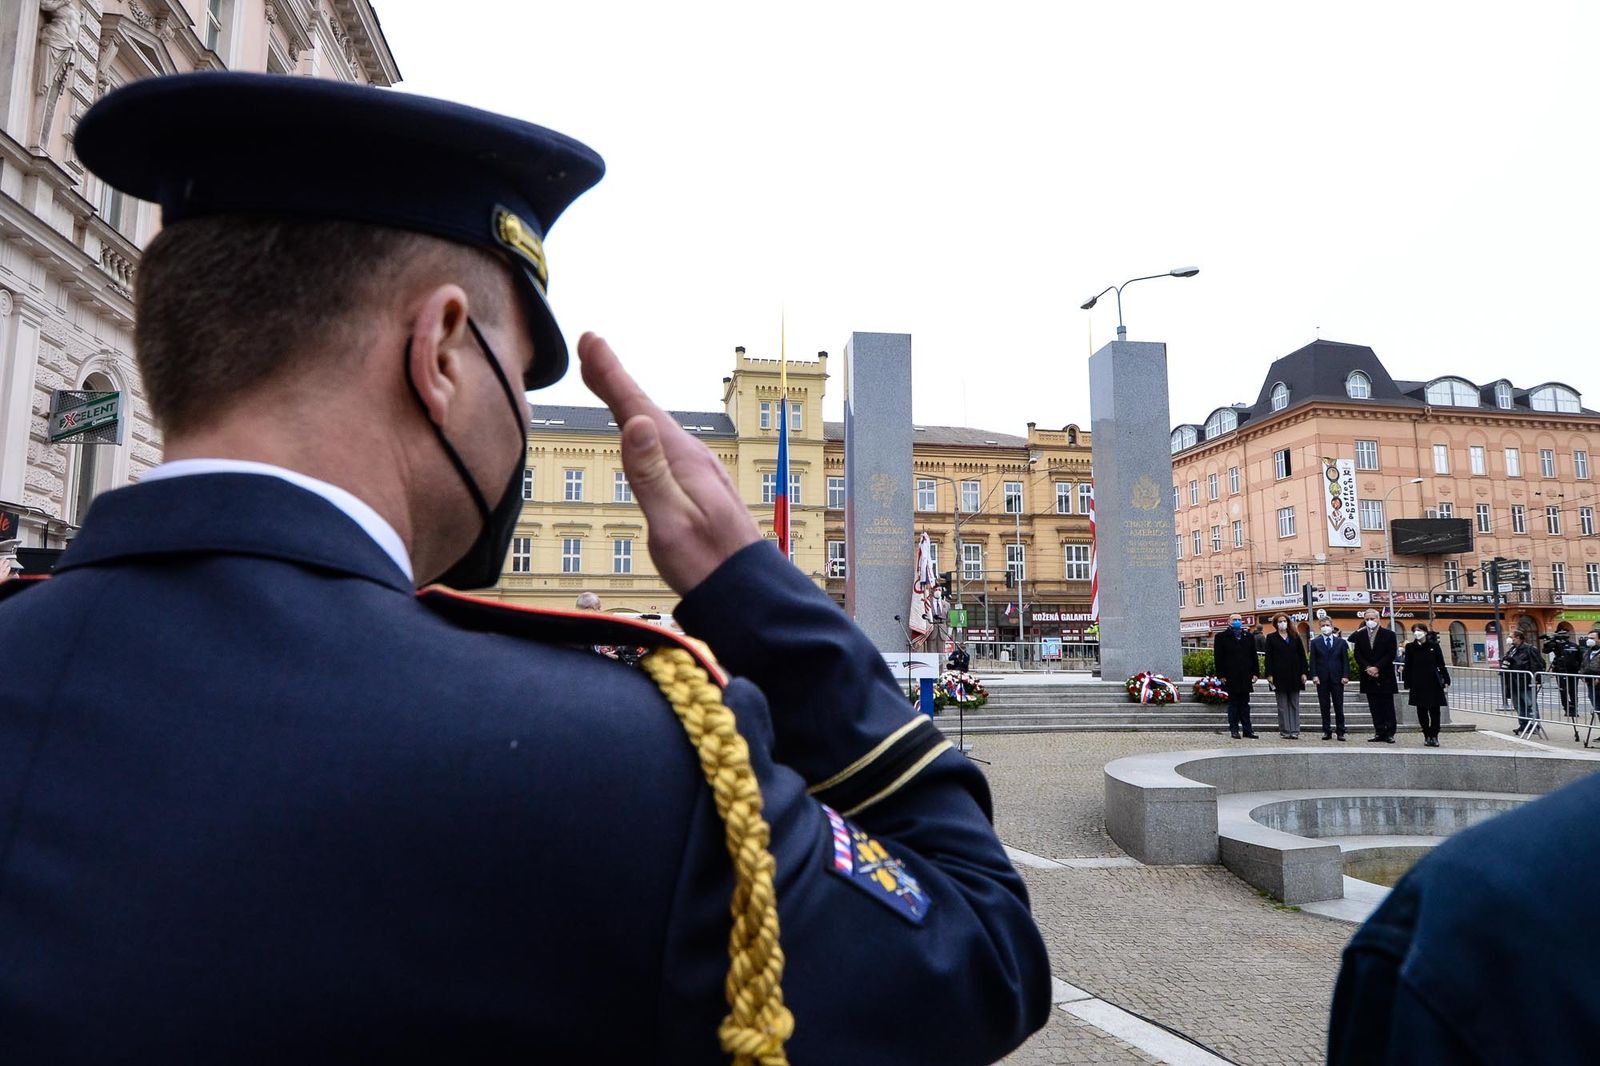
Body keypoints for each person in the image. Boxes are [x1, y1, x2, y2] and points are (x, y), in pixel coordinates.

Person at [0, 74, 1049, 1064]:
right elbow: (981, 954)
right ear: (443, 350)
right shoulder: (622, 765)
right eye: (520, 372)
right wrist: (753, 587)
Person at [1352, 609, 1399, 742]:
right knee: (1374, 706)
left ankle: (1389, 732)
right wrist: (1367, 667)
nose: (1369, 622)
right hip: (1368, 675)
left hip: (1384, 674)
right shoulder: (1360, 635)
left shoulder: (1389, 634)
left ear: (1378, 619)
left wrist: (1377, 667)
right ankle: (1379, 731)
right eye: (1367, 619)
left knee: (1387, 705)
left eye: (1372, 619)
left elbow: (1390, 653)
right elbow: (1357, 654)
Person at [1401, 625, 1450, 747]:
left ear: (1425, 632)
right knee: (1421, 710)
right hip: (1417, 682)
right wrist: (1407, 682)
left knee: (1435, 710)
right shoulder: (1410, 647)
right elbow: (1408, 665)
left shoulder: (1434, 646)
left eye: (1419, 630)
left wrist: (1446, 678)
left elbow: (1441, 664)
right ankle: (1426, 734)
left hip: (1433, 681)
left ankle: (1434, 735)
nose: (1417, 633)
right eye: (1415, 631)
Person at [1213, 612, 1260, 740]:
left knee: (1245, 704)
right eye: (1234, 619)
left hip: (1245, 675)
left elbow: (1253, 656)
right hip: (1230, 675)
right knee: (1233, 704)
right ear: (1229, 621)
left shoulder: (1248, 636)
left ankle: (1247, 730)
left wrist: (1256, 673)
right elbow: (1218, 658)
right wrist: (1221, 674)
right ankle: (1234, 729)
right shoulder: (1221, 637)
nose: (1237, 622)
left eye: (1239, 619)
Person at [1262, 614, 1308, 739]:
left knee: (1294, 703)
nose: (1282, 623)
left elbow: (1302, 656)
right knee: (1282, 705)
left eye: (1284, 621)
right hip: (1279, 675)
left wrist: (1304, 672)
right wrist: (1269, 674)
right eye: (1280, 621)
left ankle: (1295, 729)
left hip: (1295, 674)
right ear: (1276, 624)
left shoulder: (1295, 636)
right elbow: (1269, 658)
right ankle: (1285, 729)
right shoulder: (1271, 638)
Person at [1309, 620, 1351, 740]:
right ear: (1319, 627)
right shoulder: (1315, 642)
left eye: (1327, 625)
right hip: (1322, 679)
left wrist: (1345, 675)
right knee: (1324, 706)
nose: (1325, 627)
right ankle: (1327, 730)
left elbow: (1345, 660)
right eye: (1323, 626)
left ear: (1332, 627)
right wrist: (1314, 675)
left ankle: (1340, 731)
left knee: (1339, 705)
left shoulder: (1341, 642)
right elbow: (1312, 661)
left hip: (1337, 678)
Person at [1501, 628, 1544, 735]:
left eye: (1511, 637)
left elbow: (1537, 664)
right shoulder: (1512, 650)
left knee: (1530, 704)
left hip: (1525, 681)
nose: (1509, 639)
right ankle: (1523, 724)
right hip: (1514, 682)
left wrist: (1536, 679)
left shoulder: (1529, 649)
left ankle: (1534, 725)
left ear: (1518, 638)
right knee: (1518, 705)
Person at [1543, 624, 1582, 723]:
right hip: (1560, 671)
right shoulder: (1556, 645)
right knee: (1563, 691)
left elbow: (1580, 659)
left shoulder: (1574, 646)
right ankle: (1567, 709)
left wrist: (1580, 670)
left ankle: (1574, 709)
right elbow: (1545, 651)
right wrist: (1549, 642)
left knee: (1573, 691)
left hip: (1573, 672)